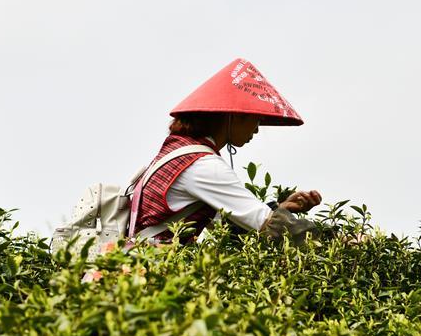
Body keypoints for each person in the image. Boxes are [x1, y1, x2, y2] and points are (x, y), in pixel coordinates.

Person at [129, 58, 322, 244]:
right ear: (235, 116)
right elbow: (272, 227)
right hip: (155, 263)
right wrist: (336, 241)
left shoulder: (180, 153)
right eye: (256, 120)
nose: (256, 129)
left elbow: (231, 226)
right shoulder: (203, 166)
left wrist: (280, 208)